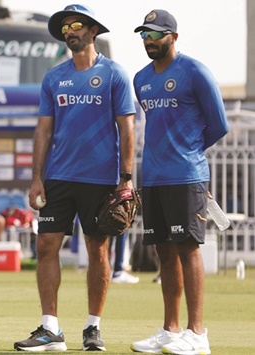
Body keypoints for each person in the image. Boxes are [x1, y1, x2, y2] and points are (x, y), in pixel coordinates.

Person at [13, 4, 136, 352]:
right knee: (45, 246)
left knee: (98, 251)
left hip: (100, 179)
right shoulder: (54, 77)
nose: (70, 31)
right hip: (59, 178)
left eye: (77, 25)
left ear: (93, 30)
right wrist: (36, 177)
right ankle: (50, 330)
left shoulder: (114, 74)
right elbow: (44, 129)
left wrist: (126, 178)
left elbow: (127, 126)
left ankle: (92, 329)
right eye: (66, 27)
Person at [130, 10, 229, 355]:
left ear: (173, 36)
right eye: (144, 34)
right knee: (164, 253)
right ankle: (170, 331)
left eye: (155, 34)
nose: (149, 40)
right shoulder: (140, 78)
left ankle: (197, 334)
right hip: (154, 178)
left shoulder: (195, 71)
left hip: (187, 176)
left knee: (188, 250)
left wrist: (189, 151)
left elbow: (219, 125)